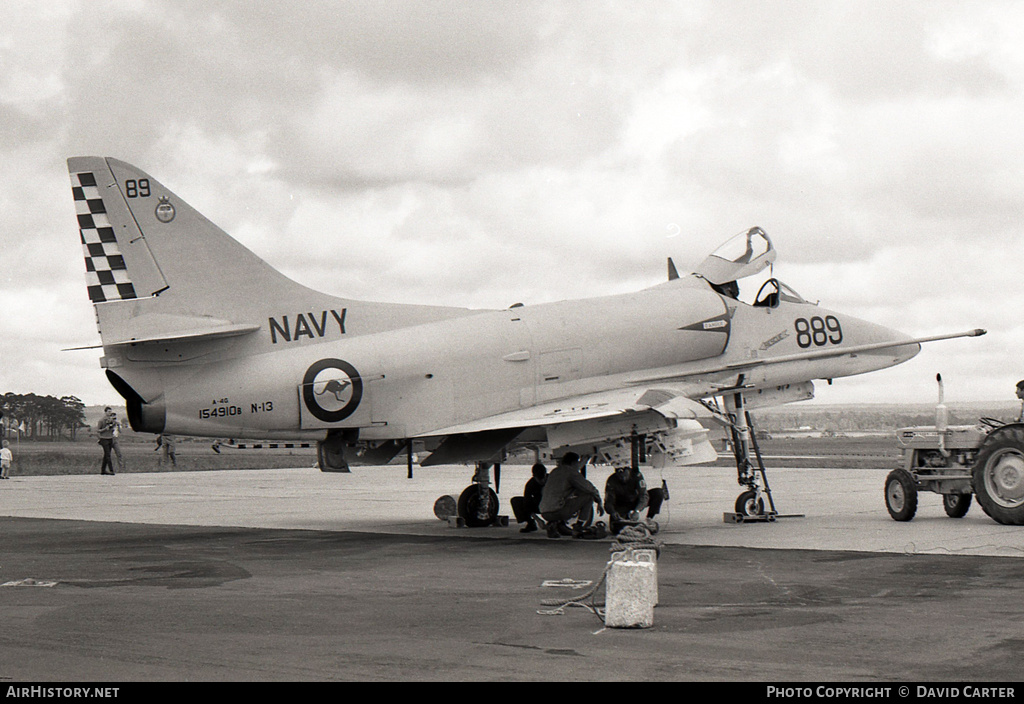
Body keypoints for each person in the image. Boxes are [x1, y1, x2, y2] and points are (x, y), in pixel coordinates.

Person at [539, 452, 603, 539]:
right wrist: (599, 501)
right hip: (558, 511)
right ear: (574, 463)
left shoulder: (555, 471)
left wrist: (585, 459)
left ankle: (552, 524)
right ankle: (579, 526)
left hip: (544, 512)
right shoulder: (571, 473)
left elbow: (571, 473)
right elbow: (589, 488)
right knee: (588, 496)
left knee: (562, 499)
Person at [604, 465, 664, 534]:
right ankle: (627, 521)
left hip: (635, 500)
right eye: (620, 477)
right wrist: (612, 512)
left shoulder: (637, 476)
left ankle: (649, 519)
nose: (623, 479)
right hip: (622, 504)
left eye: (625, 476)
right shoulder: (611, 480)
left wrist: (637, 510)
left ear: (629, 472)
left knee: (658, 493)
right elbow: (608, 501)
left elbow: (643, 496)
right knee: (616, 529)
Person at [511, 463, 548, 533]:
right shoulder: (530, 484)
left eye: (543, 478)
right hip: (539, 504)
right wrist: (538, 520)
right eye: (539, 479)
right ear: (534, 476)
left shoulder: (552, 480)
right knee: (516, 501)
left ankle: (558, 523)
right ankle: (531, 523)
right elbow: (527, 503)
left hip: (551, 503)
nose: (542, 481)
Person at [97, 407, 117, 475]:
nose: (110, 413)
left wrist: (113, 426)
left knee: (106, 455)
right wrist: (105, 429)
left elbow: (113, 429)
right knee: (108, 455)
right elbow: (98, 430)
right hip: (104, 438)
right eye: (108, 412)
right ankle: (111, 470)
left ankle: (103, 470)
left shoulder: (111, 420)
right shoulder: (101, 420)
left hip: (110, 438)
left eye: (110, 412)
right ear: (105, 412)